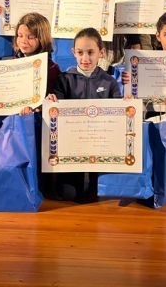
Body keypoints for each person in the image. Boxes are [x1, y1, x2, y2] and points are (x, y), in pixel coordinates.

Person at [46, 27, 122, 201]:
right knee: (69, 194)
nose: (85, 58)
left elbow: (117, 114)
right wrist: (52, 100)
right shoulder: (65, 79)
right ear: (73, 52)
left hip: (100, 144)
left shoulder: (109, 82)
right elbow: (57, 110)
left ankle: (94, 181)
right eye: (80, 52)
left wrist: (125, 105)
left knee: (96, 194)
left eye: (90, 52)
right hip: (73, 145)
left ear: (101, 52)